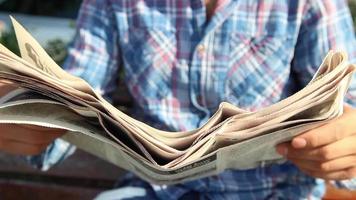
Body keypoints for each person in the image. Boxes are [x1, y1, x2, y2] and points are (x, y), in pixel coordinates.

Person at [1, 0, 356, 199]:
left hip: (276, 193)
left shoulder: (311, 3)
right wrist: (26, 111)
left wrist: (346, 140)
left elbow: (347, 104)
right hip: (152, 193)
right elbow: (75, 96)